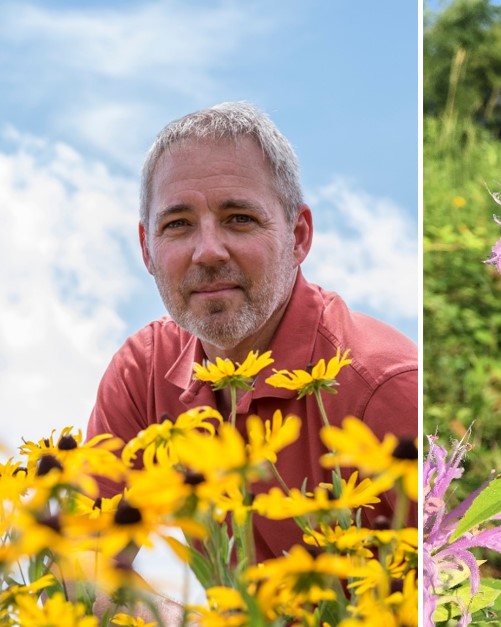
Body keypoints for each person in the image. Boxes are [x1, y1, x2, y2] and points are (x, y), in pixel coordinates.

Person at [84, 101, 418, 622]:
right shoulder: (141, 372)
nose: (208, 251)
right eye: (177, 224)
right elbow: (86, 566)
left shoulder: (386, 390)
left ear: (299, 236)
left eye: (239, 219)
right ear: (146, 249)